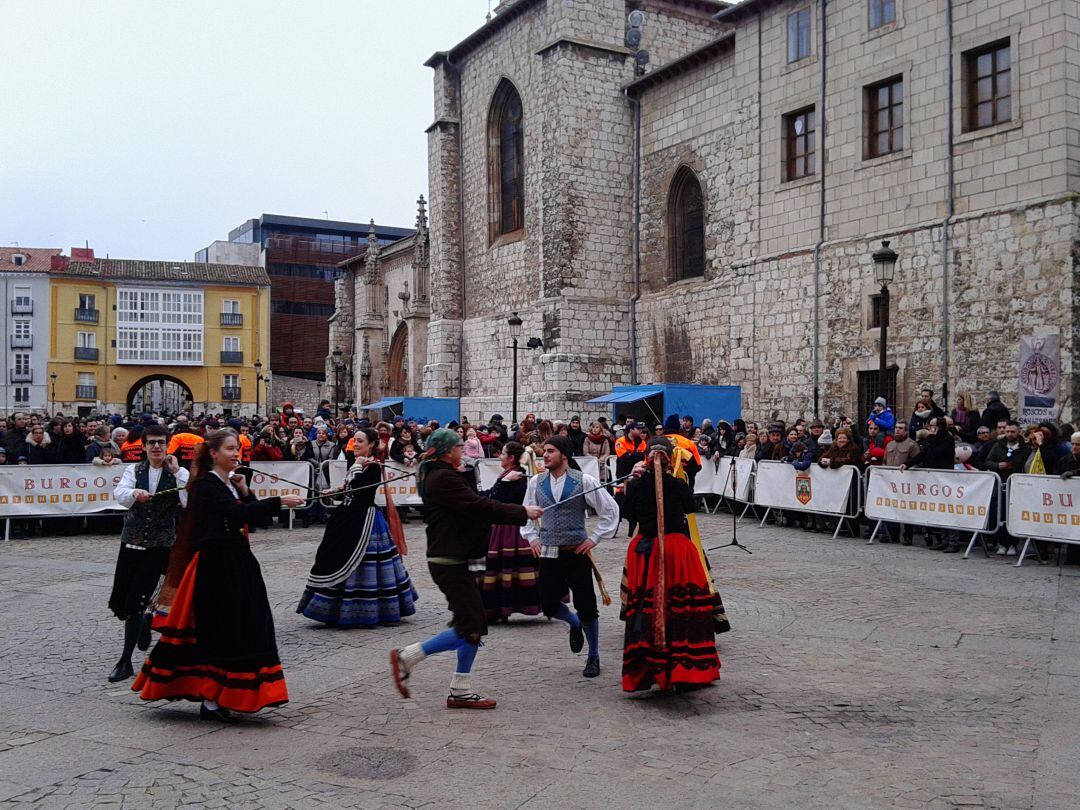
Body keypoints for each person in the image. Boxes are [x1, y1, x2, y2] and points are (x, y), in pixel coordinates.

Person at [132, 429, 305, 722]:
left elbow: (249, 515)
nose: (236, 453)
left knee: (245, 625)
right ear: (213, 453)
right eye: (229, 449)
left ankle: (225, 694)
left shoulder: (227, 483)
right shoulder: (205, 485)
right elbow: (234, 515)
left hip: (235, 562)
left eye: (237, 449)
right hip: (216, 567)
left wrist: (245, 490)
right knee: (222, 630)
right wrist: (277, 502)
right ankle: (212, 700)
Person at [391, 429, 541, 710]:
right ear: (448, 450)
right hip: (449, 558)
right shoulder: (443, 478)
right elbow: (479, 505)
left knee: (474, 624)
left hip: (456, 556)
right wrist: (522, 512)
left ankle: (460, 689)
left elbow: (473, 501)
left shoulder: (443, 474)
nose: (464, 449)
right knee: (471, 625)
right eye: (459, 446)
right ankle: (408, 657)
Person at [620, 438, 721, 692]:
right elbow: (690, 508)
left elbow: (629, 514)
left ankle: (651, 669)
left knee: (650, 605)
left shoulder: (635, 486)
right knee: (679, 606)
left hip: (647, 551)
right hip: (674, 549)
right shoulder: (677, 485)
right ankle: (683, 668)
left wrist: (635, 483)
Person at [521, 435, 620, 679]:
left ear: (564, 455)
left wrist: (594, 538)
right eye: (544, 450)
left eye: (550, 451)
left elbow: (610, 509)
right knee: (549, 604)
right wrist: (531, 537)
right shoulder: (536, 481)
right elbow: (527, 512)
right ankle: (574, 624)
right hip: (548, 551)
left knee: (587, 605)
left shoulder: (583, 480)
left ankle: (593, 655)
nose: (545, 455)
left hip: (576, 552)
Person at [297, 428, 417, 627]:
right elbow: (349, 488)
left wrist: (357, 467)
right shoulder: (358, 463)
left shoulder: (372, 465)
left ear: (371, 444)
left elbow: (362, 490)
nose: (356, 445)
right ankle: (334, 607)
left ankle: (368, 609)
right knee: (334, 556)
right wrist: (334, 490)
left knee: (366, 563)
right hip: (347, 516)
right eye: (355, 441)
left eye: (361, 441)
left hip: (365, 520)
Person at [108, 425, 189, 683]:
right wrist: (134, 493)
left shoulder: (177, 473)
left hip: (161, 545)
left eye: (161, 443)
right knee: (122, 600)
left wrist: (178, 472)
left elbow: (190, 497)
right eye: (152, 443)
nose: (156, 447)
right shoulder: (134, 470)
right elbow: (120, 495)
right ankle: (143, 618)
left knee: (142, 597)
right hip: (132, 542)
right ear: (143, 446)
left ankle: (126, 659)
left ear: (168, 446)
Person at [479, 441, 541, 622]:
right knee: (504, 569)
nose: (500, 456)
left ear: (511, 458)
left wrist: (502, 483)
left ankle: (504, 607)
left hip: (511, 530)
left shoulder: (516, 477)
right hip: (503, 527)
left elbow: (495, 498)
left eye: (503, 454)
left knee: (507, 569)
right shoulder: (508, 475)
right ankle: (500, 608)